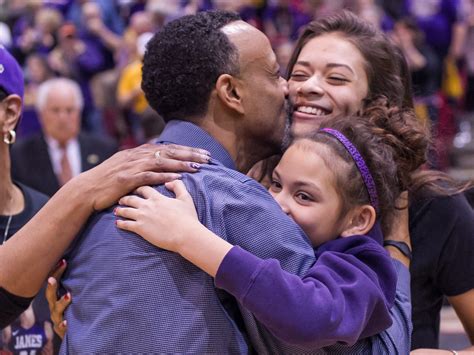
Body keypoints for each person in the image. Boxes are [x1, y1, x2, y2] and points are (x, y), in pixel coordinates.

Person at [51, 11, 411, 354]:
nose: (290, 89)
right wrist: (397, 254)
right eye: (278, 74)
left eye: (336, 78)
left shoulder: (101, 192)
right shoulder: (240, 201)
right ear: (232, 93)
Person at [115, 101, 429, 349]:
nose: (278, 203)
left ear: (357, 220)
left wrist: (189, 237)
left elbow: (310, 316)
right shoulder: (296, 233)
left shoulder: (362, 265)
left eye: (304, 196)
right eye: (276, 184)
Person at [0, 45, 211, 328]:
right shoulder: (62, 206)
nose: (63, 118)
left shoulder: (42, 212)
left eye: (70, 110)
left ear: (9, 113)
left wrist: (74, 329)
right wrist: (84, 190)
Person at [11, 77, 117, 196]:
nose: (63, 118)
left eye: (69, 110)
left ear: (79, 112)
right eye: (55, 110)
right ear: (41, 114)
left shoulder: (105, 150)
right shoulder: (20, 155)